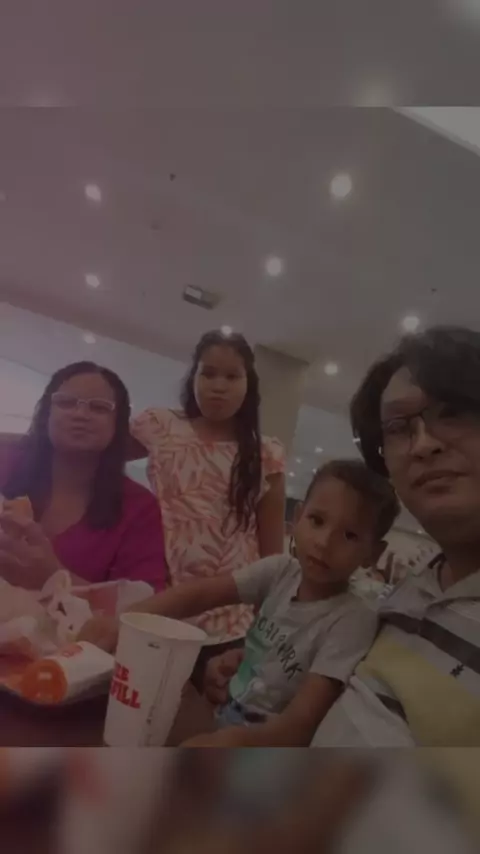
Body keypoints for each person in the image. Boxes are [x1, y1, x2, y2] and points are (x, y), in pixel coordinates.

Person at [79, 459, 399, 747]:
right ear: (298, 517)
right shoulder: (280, 571)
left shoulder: (351, 619)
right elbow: (199, 594)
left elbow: (300, 726)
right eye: (317, 520)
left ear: (373, 553)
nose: (324, 542)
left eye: (350, 536)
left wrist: (232, 741)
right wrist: (124, 622)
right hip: (223, 714)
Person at [129, 330, 286, 644]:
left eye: (232, 376)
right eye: (208, 373)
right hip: (159, 606)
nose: (219, 386)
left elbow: (272, 557)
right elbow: (98, 459)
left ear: (248, 384)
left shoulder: (266, 454)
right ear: (194, 377)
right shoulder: (160, 426)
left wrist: (262, 630)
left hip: (231, 622)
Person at [0, 362, 167, 591]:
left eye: (99, 408)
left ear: (118, 425)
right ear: (46, 413)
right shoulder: (5, 462)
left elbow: (144, 605)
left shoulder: (140, 508)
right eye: (66, 402)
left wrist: (54, 578)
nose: (80, 414)